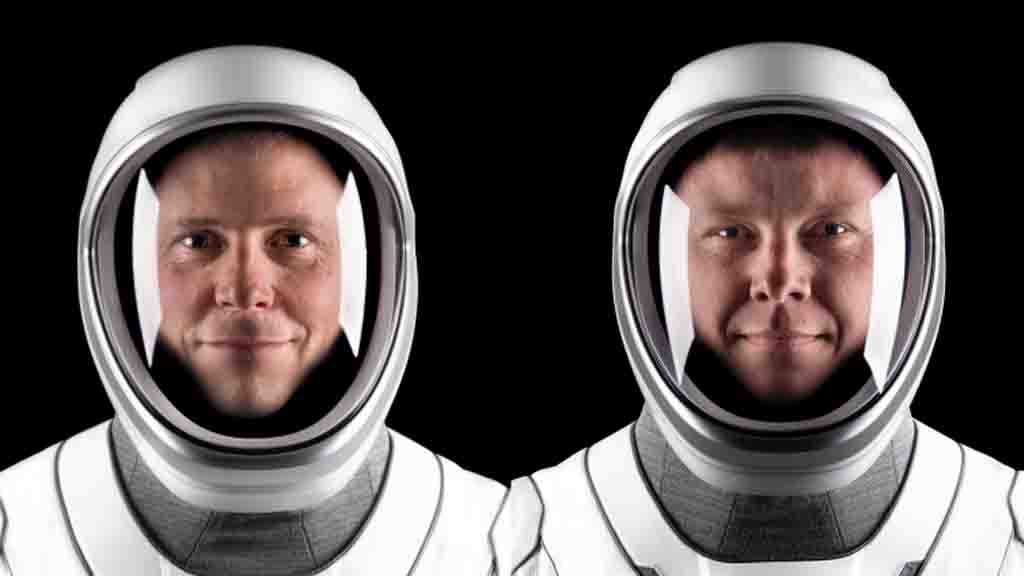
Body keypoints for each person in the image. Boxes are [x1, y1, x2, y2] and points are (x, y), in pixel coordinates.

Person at [491, 43, 1022, 576]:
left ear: (915, 260)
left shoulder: (1006, 533)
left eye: (831, 231)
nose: (779, 279)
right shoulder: (524, 540)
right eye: (730, 232)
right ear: (646, 264)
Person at [0, 46, 506, 576]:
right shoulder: (20, 533)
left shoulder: (494, 539)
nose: (245, 290)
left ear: (375, 263)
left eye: (292, 239)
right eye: (198, 241)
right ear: (112, 272)